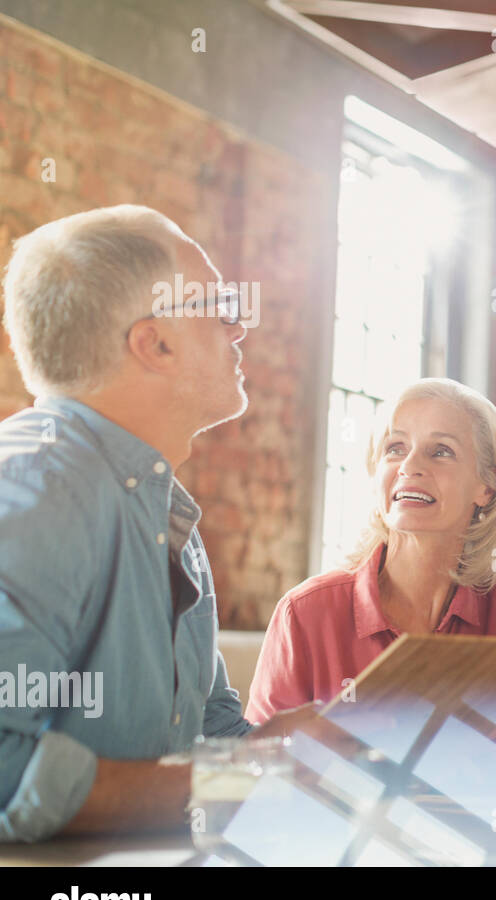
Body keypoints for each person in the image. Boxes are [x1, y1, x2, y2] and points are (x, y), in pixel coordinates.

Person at [0, 205, 310, 843]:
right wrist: (255, 785)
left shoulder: (167, 515)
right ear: (156, 343)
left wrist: (318, 750)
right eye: (218, 304)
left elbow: (206, 733)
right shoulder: (34, 488)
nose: (239, 324)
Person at [247, 378, 496, 754]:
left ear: (486, 486)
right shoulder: (305, 615)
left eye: (440, 451)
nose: (410, 465)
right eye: (395, 448)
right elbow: (256, 775)